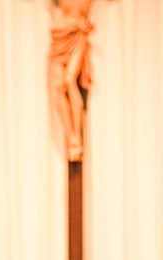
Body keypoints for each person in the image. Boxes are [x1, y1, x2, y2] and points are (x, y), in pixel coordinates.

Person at [50, 0, 94, 162]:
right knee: (59, 87)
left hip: (77, 33)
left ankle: (76, 135)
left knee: (69, 81)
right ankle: (71, 137)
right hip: (60, 32)